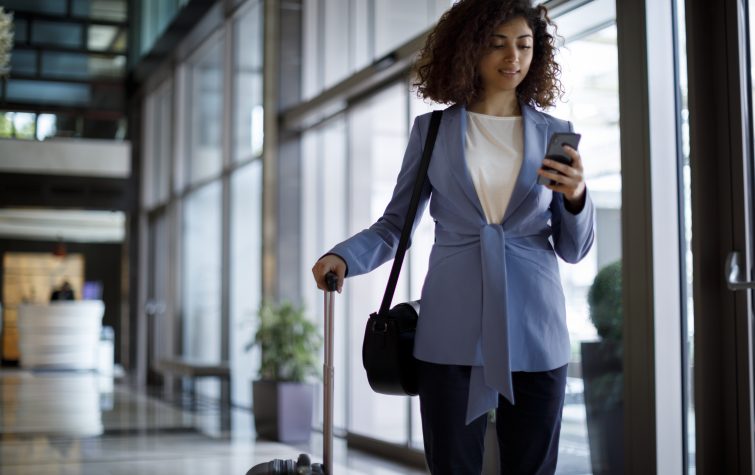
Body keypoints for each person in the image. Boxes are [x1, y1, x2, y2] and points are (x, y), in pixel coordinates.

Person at [312, 0, 595, 473]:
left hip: (535, 327)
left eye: (525, 45)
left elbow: (573, 249)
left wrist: (577, 196)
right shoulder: (435, 131)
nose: (514, 58)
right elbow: (394, 226)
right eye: (497, 44)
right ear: (469, 49)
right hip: (450, 325)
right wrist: (343, 257)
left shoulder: (556, 134)